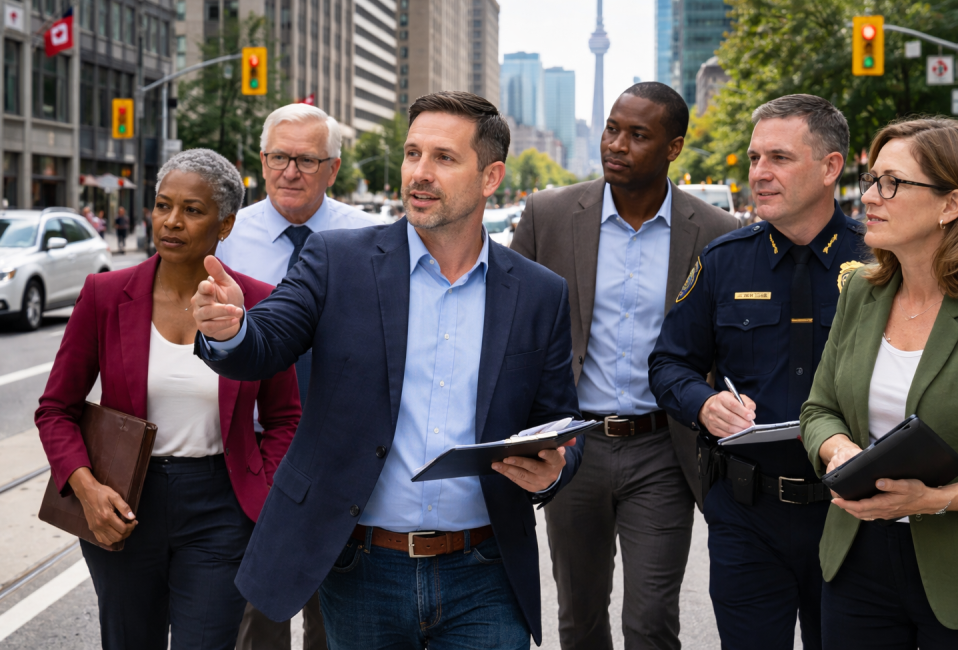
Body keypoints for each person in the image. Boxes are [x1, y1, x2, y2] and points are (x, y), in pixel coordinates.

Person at [191, 91, 583, 649]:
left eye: (444, 158)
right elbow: (266, 342)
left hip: (485, 571)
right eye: (412, 154)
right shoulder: (336, 260)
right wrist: (230, 329)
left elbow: (559, 420)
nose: (419, 174)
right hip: (363, 570)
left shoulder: (539, 293)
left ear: (491, 176)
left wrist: (557, 468)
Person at [35, 149, 301, 650]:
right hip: (124, 502)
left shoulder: (261, 302)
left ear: (225, 225)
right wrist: (87, 489)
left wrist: (260, 493)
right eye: (162, 205)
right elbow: (56, 408)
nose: (172, 222)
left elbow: (286, 416)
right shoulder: (105, 294)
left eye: (192, 210)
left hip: (222, 507)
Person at [511, 82, 738, 650]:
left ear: (673, 147)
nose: (616, 144)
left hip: (664, 448)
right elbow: (507, 321)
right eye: (613, 129)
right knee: (578, 615)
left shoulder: (714, 232)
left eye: (638, 135)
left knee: (652, 620)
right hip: (574, 444)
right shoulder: (549, 214)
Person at [649, 94, 864, 650]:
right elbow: (669, 362)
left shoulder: (878, 264)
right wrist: (701, 402)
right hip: (747, 514)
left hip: (853, 516)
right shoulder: (723, 261)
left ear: (830, 168)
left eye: (779, 158)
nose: (759, 174)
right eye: (753, 159)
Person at [801, 118, 958, 648]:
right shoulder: (861, 292)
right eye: (870, 179)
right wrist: (839, 450)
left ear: (951, 204)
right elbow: (818, 409)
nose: (869, 196)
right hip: (856, 560)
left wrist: (936, 498)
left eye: (891, 183)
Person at [216, 103, 378, 650]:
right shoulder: (226, 238)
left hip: (340, 447)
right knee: (259, 610)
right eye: (280, 157)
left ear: (333, 168)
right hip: (254, 447)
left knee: (338, 611)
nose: (291, 171)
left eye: (307, 160)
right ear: (261, 162)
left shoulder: (372, 237)